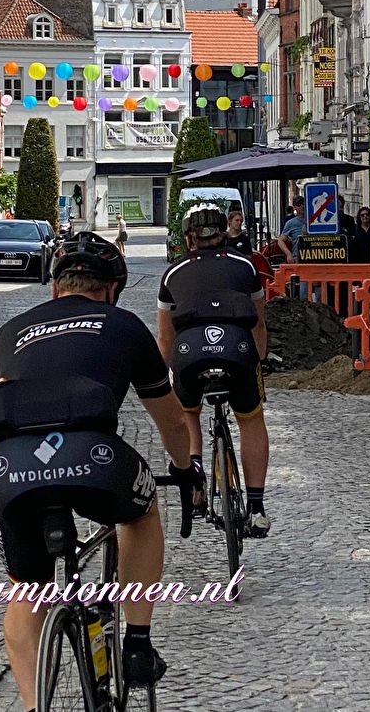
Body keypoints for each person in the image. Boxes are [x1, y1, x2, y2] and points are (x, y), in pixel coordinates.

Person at [0, 232, 198, 705]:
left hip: (10, 466)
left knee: (27, 591)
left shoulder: (10, 331)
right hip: (92, 457)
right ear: (112, 289)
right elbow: (174, 423)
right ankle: (137, 643)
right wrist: (185, 471)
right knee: (141, 513)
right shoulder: (122, 324)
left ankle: (34, 704)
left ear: (56, 288)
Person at [157, 203, 270, 538]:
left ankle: (195, 484)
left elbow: (165, 338)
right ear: (224, 233)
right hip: (237, 348)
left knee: (187, 414)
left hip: (189, 353)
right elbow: (259, 323)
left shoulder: (172, 274)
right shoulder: (246, 266)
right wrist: (259, 361)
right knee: (250, 420)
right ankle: (257, 506)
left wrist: (162, 380)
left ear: (189, 238)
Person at [277, 195, 306, 264]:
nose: (302, 206)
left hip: (315, 258)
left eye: (304, 204)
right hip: (298, 259)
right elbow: (280, 240)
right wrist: (288, 254)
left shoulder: (316, 221)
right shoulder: (291, 223)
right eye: (299, 204)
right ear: (294, 207)